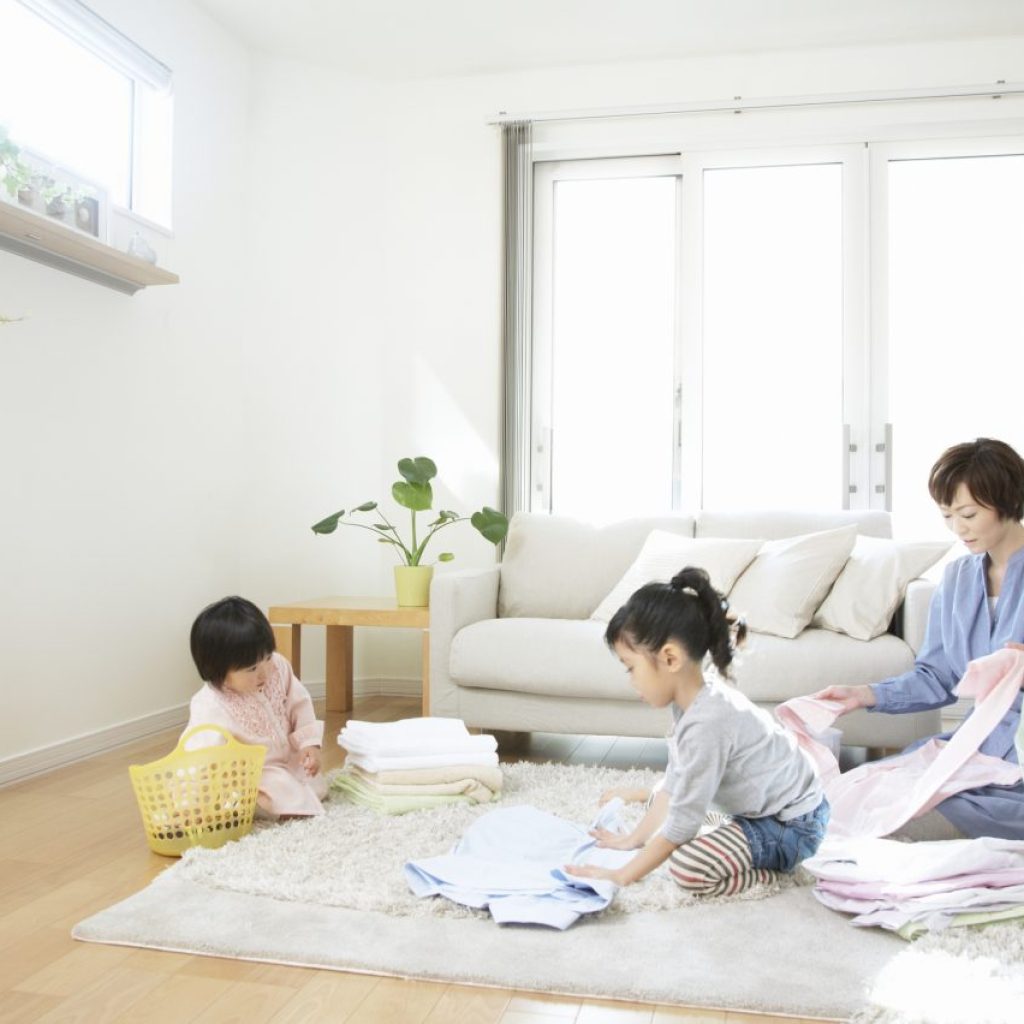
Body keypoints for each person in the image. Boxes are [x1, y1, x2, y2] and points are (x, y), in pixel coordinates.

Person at [565, 567, 829, 896]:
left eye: (631, 668)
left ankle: (770, 876)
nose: (631, 681)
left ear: (670, 658)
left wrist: (621, 876)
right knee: (666, 806)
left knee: (686, 867)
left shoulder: (709, 721)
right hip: (760, 811)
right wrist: (635, 839)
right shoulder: (690, 703)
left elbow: (683, 824)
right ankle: (729, 834)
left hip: (792, 825)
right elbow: (676, 780)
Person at [813, 437, 1024, 841]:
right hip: (976, 746)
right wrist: (866, 695)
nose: (958, 528)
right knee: (861, 794)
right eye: (948, 515)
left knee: (904, 822)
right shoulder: (959, 579)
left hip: (1015, 755)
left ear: (1007, 501)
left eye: (969, 514)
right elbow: (938, 676)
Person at [184, 595, 327, 818]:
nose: (264, 672)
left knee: (316, 784)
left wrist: (310, 745)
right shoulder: (211, 704)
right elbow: (199, 753)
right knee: (281, 788)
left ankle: (284, 800)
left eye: (268, 657)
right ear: (218, 672)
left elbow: (300, 705)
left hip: (289, 758)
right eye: (251, 669)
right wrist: (190, 802)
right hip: (253, 775)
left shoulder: (279, 668)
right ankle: (256, 803)